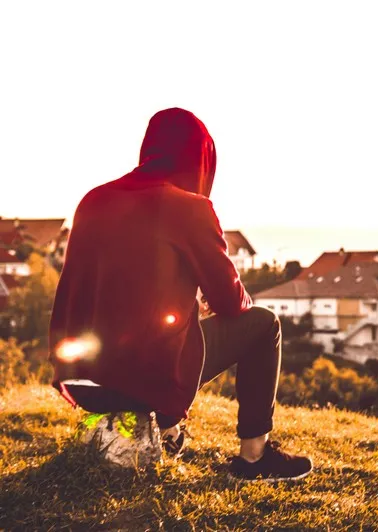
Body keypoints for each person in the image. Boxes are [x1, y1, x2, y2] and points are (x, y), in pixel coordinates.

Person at [48, 107, 312, 482]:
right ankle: (254, 460)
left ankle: (167, 428)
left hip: (78, 380)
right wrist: (204, 301)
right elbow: (230, 302)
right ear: (201, 160)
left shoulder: (93, 200)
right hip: (136, 381)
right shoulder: (190, 207)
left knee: (168, 337)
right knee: (264, 325)